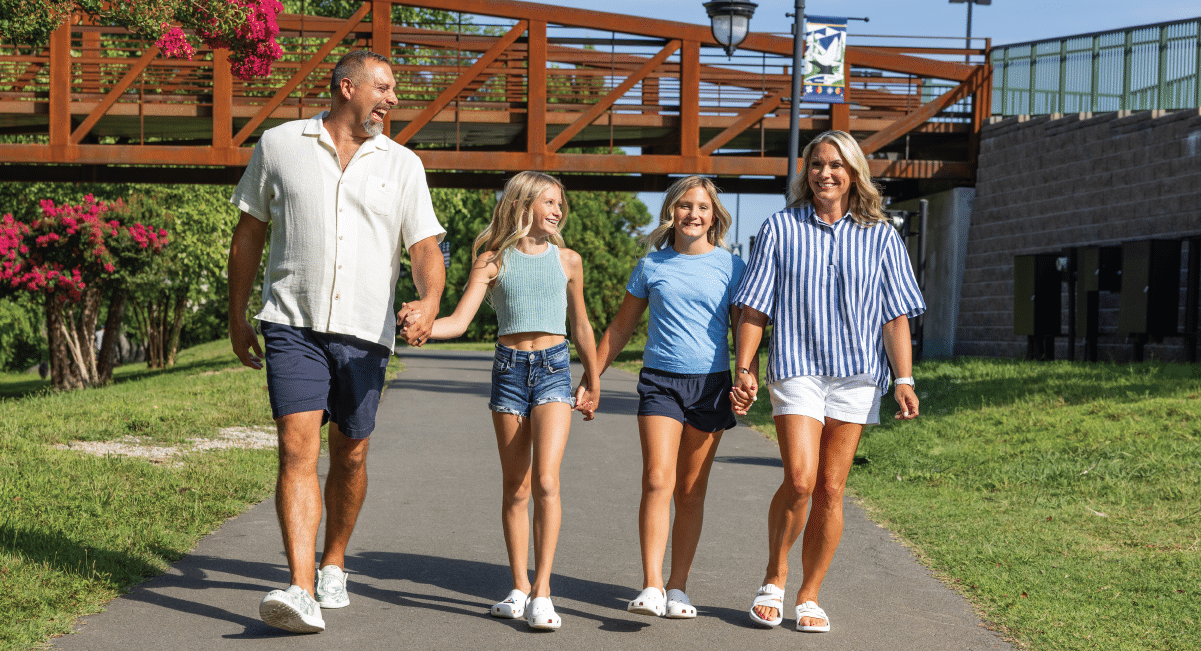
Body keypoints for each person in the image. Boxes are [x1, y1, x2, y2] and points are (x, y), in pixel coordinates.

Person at [227, 50, 446, 634]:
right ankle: (300, 588)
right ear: (346, 87)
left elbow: (425, 247)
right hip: (291, 323)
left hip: (366, 332)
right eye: (384, 87)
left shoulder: (403, 164)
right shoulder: (279, 146)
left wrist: (428, 302)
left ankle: (333, 560)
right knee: (297, 450)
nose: (393, 99)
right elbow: (248, 233)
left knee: (350, 454)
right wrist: (237, 315)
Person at [729, 130, 925, 633]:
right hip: (797, 367)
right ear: (806, 173)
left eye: (836, 165)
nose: (825, 173)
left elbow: (896, 313)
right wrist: (745, 368)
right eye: (816, 164)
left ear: (853, 172)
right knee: (801, 479)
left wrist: (903, 377)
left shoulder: (880, 234)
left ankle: (810, 595)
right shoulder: (780, 228)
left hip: (858, 374)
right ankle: (774, 576)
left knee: (832, 489)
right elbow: (754, 306)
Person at [400, 171, 600, 631]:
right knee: (517, 486)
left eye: (559, 205)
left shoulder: (568, 260)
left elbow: (582, 325)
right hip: (509, 370)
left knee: (547, 481)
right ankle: (518, 586)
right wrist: (425, 326)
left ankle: (544, 593)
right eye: (548, 202)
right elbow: (459, 320)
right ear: (523, 204)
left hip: (553, 368)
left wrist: (592, 377)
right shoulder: (492, 260)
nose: (557, 211)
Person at [593, 176, 748, 620]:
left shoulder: (731, 267)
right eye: (684, 206)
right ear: (671, 212)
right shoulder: (651, 266)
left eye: (702, 207)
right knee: (657, 480)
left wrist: (746, 375)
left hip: (712, 385)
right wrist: (593, 377)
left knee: (691, 491)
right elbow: (621, 328)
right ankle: (652, 586)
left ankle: (678, 586)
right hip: (661, 382)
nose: (693, 214)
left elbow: (743, 331)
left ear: (714, 215)